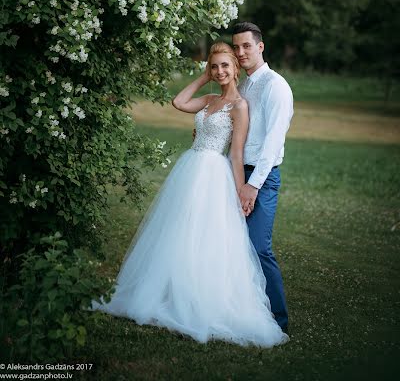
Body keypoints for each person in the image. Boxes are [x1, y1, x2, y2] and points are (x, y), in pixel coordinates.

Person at [91, 42, 288, 348]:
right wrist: (203, 77)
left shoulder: (239, 106)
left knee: (205, 237)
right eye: (215, 66)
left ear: (236, 68)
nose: (220, 71)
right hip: (190, 168)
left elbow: (236, 155)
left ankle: (201, 298)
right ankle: (172, 290)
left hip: (213, 174)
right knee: (178, 232)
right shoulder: (209, 98)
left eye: (225, 65)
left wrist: (240, 193)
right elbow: (178, 101)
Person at [232, 22, 294, 334]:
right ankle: (240, 308)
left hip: (261, 177)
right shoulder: (242, 87)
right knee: (230, 244)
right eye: (237, 47)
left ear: (260, 46)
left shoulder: (276, 86)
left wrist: (252, 186)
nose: (241, 52)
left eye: (246, 46)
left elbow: (273, 142)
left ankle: (277, 320)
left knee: (258, 247)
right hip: (233, 172)